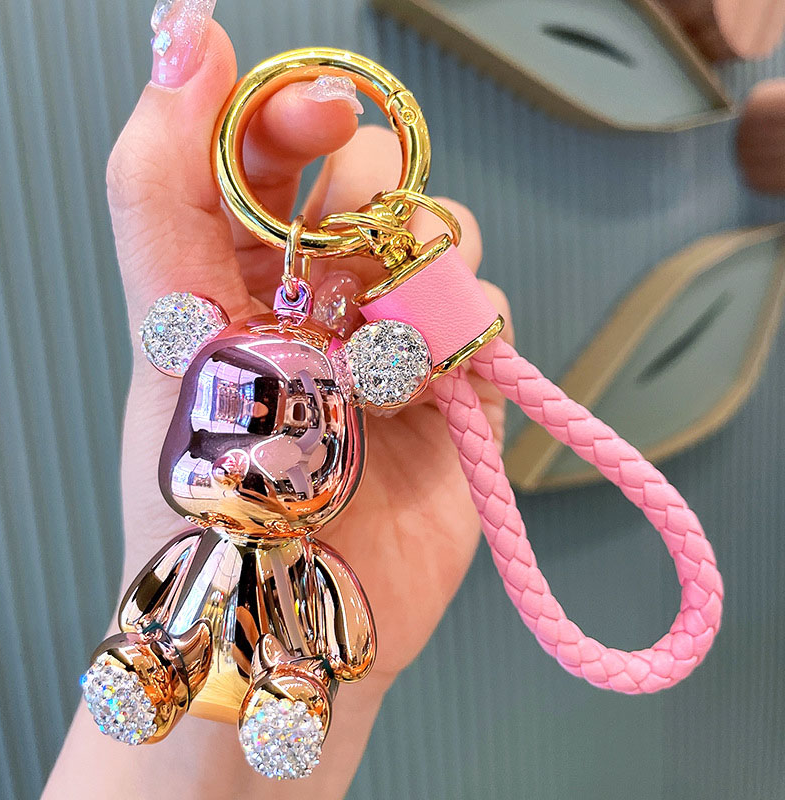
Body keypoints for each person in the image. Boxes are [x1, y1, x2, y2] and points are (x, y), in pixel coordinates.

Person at [43, 8, 511, 798]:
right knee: (154, 641)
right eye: (226, 418)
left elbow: (345, 623)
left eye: (290, 427)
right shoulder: (192, 539)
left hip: (285, 642)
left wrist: (344, 659)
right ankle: (156, 672)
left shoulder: (311, 550)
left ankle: (288, 692)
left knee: (296, 664)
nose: (243, 458)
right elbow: (152, 593)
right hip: (191, 636)